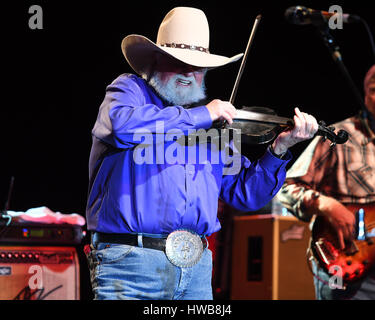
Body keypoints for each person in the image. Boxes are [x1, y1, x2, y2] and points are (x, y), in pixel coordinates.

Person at [85, 7, 318, 300]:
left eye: (197, 65)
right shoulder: (129, 90)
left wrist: (279, 149)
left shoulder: (211, 121)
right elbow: (122, 127)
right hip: (131, 264)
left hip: (196, 270)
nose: (188, 72)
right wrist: (200, 115)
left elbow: (244, 194)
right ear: (155, 60)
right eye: (178, 62)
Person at [278, 64, 375, 300]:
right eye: (374, 88)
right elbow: (286, 187)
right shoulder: (339, 136)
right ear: (367, 93)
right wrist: (327, 206)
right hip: (347, 262)